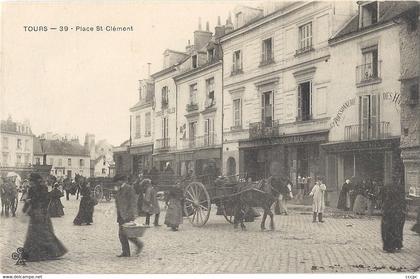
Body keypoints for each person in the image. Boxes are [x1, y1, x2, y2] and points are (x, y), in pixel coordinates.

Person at [22, 173, 67, 262]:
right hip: (39, 214)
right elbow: (41, 199)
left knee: (40, 233)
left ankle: (41, 253)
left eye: (31, 180)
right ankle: (45, 252)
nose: (30, 182)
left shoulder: (38, 188)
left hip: (39, 213)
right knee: (40, 233)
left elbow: (40, 199)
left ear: (34, 181)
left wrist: (30, 202)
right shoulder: (37, 188)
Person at [115, 175, 143, 257]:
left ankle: (136, 246)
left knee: (124, 233)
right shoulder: (119, 189)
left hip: (127, 215)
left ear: (121, 181)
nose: (116, 183)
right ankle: (127, 251)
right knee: (124, 234)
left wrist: (132, 214)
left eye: (117, 181)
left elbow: (133, 202)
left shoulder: (129, 188)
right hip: (121, 215)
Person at [381, 183, 406, 253]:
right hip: (397, 212)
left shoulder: (387, 192)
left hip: (389, 212)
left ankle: (389, 246)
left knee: (388, 229)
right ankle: (397, 244)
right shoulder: (400, 190)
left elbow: (383, 201)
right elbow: (403, 202)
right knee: (397, 229)